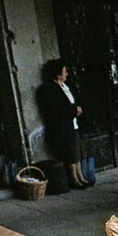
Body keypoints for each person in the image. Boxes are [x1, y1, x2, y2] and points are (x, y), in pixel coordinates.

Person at [38, 58, 89, 190]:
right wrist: (74, 110)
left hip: (74, 124)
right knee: (71, 154)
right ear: (58, 73)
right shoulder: (49, 89)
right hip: (63, 126)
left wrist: (79, 108)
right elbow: (56, 108)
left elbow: (76, 99)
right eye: (65, 71)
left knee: (77, 153)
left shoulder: (67, 86)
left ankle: (81, 176)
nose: (67, 74)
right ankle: (75, 179)